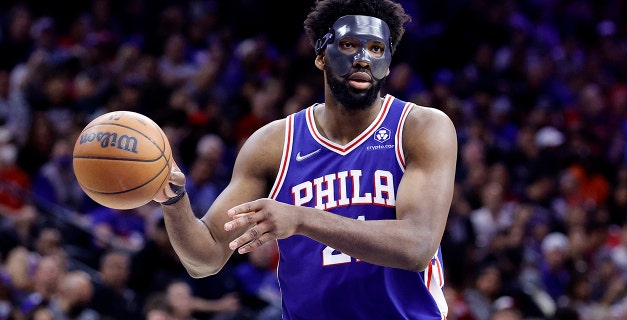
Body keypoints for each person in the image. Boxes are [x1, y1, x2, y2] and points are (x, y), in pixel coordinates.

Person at [154, 0, 458, 318]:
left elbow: (417, 246)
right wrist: (174, 200)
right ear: (321, 56)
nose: (363, 59)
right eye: (349, 45)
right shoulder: (274, 144)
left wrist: (301, 219)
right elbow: (206, 257)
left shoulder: (420, 127)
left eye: (377, 49)